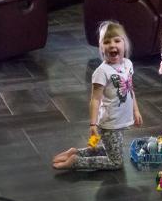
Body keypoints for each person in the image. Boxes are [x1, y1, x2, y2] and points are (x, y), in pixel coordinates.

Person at [53, 20, 142, 170]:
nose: (112, 45)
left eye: (117, 40)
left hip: (119, 120)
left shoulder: (127, 64)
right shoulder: (102, 72)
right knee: (116, 162)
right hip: (108, 123)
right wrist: (93, 124)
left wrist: (136, 110)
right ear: (101, 48)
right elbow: (95, 99)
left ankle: (76, 153)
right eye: (107, 42)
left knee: (114, 151)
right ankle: (76, 162)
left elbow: (130, 90)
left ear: (124, 44)